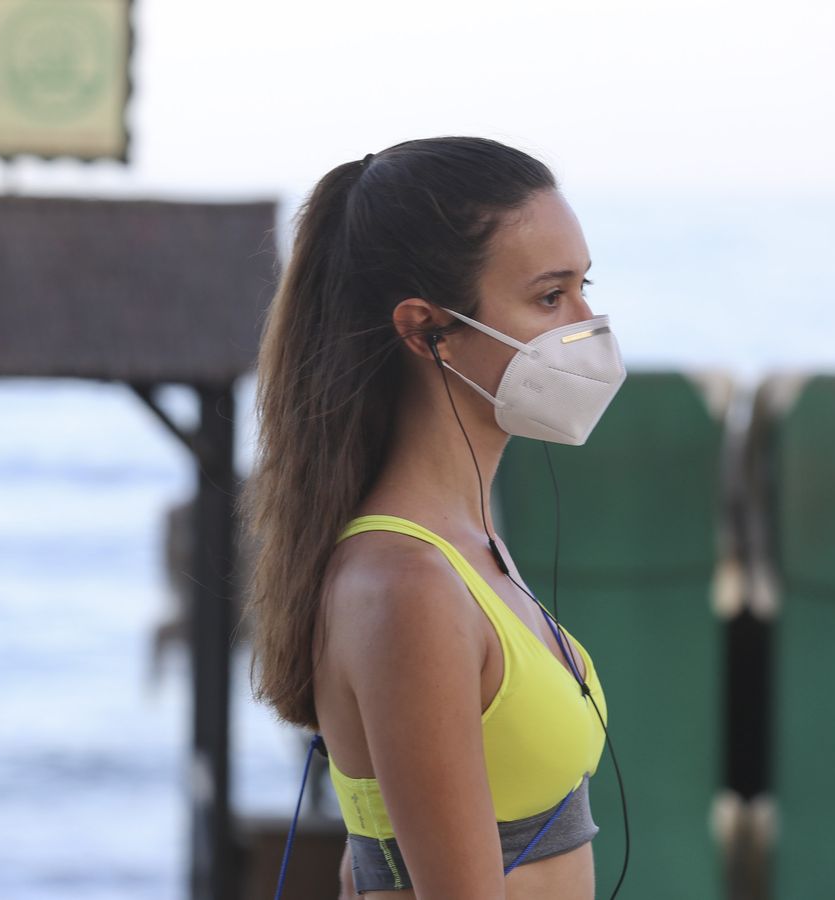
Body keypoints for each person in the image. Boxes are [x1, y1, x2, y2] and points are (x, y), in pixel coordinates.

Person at [240, 136, 626, 899]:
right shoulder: (405, 584)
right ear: (425, 329)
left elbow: (367, 864)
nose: (587, 324)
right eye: (550, 298)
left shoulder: (466, 546)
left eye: (585, 288)